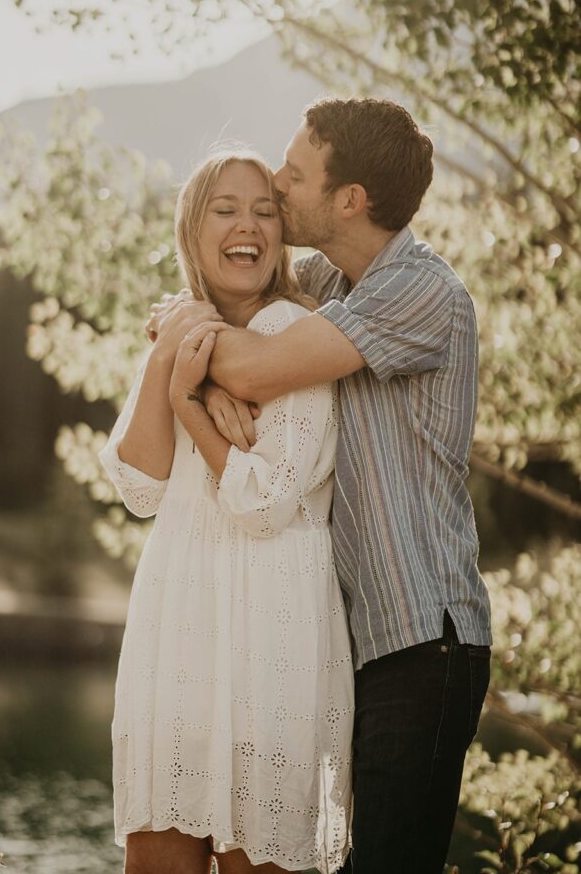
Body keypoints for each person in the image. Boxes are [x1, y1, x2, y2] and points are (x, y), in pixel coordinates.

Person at [149, 98, 492, 874]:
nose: (276, 183)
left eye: (294, 175)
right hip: (349, 641)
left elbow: (252, 359)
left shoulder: (421, 292)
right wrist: (189, 336)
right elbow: (214, 293)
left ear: (349, 200)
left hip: (423, 643)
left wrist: (198, 380)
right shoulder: (327, 276)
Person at [99, 148, 355, 874]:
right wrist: (175, 368)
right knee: (157, 853)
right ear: (190, 231)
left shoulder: (297, 334)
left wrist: (191, 400)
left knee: (261, 857)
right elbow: (139, 485)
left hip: (269, 624)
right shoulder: (181, 328)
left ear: (282, 236)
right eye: (224, 209)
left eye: (264, 211)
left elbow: (265, 501)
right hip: (178, 620)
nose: (246, 226)